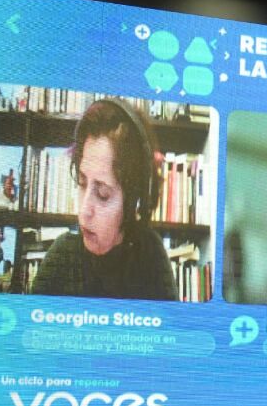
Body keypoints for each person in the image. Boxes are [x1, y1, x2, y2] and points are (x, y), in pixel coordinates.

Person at [35, 98, 176, 300]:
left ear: (134, 201)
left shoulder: (151, 256)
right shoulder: (61, 256)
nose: (84, 213)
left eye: (103, 195)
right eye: (82, 184)